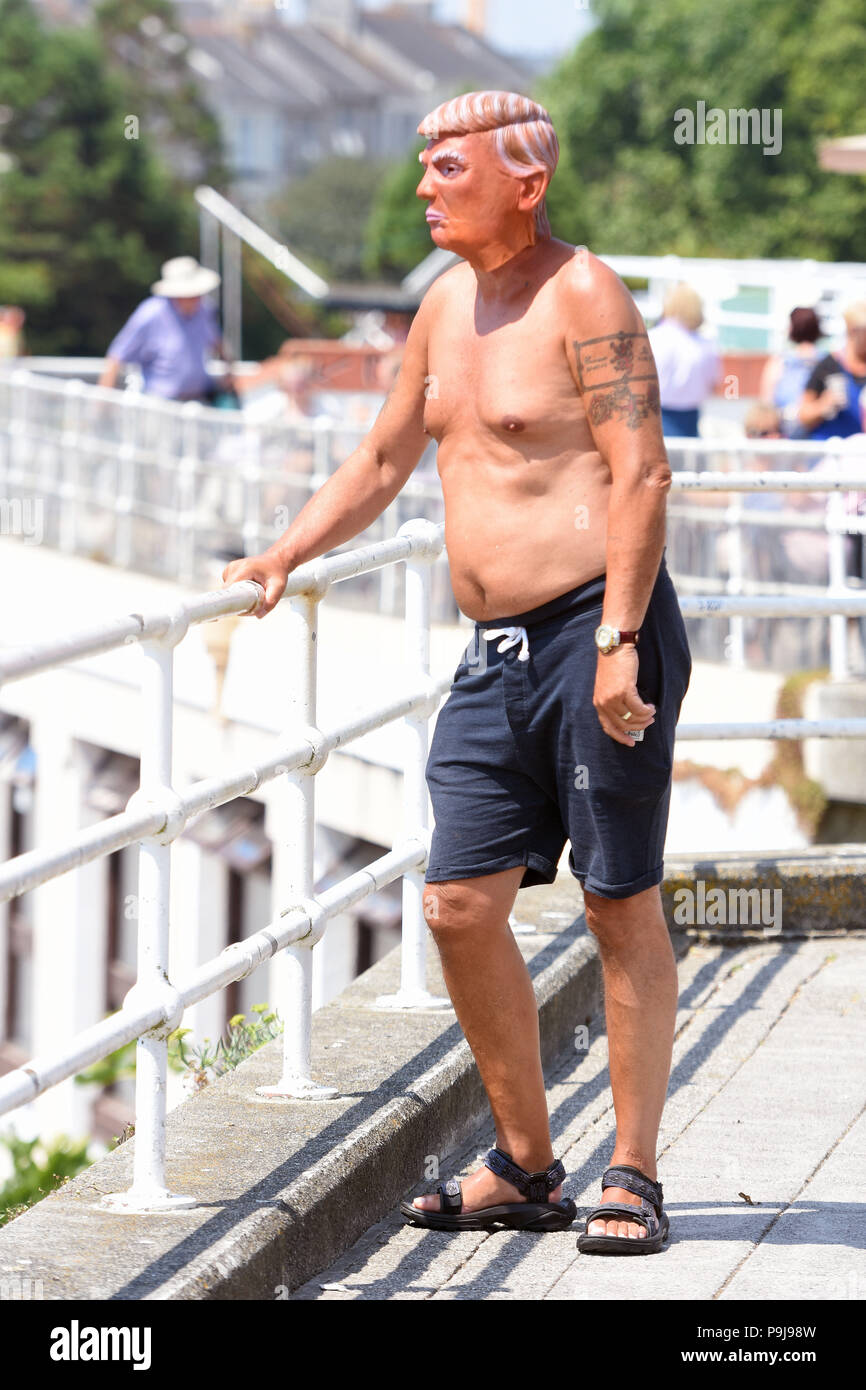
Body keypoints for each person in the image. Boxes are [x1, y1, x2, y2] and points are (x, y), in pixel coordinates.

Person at [221, 89, 692, 1252]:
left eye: (448, 165)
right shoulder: (441, 306)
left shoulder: (583, 294)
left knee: (613, 899)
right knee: (455, 903)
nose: (425, 181)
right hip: (490, 657)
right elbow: (384, 455)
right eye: (425, 161)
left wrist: (619, 639)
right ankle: (526, 1164)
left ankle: (631, 1172)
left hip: (599, 631)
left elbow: (638, 474)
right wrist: (284, 552)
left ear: (522, 183)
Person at [99, 256, 235, 404]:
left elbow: (217, 343)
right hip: (162, 404)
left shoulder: (205, 310)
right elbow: (116, 356)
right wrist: (102, 404)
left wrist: (229, 373)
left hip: (199, 400)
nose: (196, 297)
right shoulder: (151, 313)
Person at [648, 283, 722, 437]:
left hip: (657, 414)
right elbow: (714, 384)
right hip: (690, 416)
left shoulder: (655, 338)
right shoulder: (706, 346)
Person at [798, 300, 866, 441]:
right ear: (852, 332)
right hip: (829, 452)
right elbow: (803, 415)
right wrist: (824, 405)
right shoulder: (828, 365)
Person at [758, 306, 823, 438]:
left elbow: (766, 401)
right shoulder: (828, 361)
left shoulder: (780, 361)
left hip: (786, 435)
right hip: (818, 435)